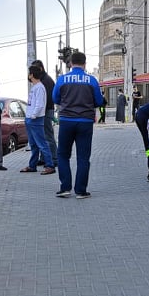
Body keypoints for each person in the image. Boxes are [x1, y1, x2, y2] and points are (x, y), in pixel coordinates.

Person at [52, 51, 104, 198]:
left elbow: (55, 98)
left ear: (70, 63)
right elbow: (99, 101)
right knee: (83, 157)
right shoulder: (92, 80)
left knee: (63, 155)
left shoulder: (62, 79)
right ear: (85, 63)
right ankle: (81, 191)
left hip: (66, 121)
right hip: (86, 123)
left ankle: (65, 188)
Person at [19, 64, 56, 174]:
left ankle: (50, 165)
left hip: (35, 119)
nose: (28, 75)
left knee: (42, 143)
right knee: (34, 145)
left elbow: (39, 105)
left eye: (29, 73)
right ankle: (32, 165)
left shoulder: (39, 87)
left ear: (32, 75)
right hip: (30, 119)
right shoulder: (35, 87)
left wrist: (33, 116)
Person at [31, 59, 57, 161]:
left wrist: (38, 112)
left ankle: (54, 158)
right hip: (45, 111)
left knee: (48, 136)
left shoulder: (46, 81)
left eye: (34, 70)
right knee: (42, 136)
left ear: (40, 69)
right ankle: (44, 158)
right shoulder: (43, 80)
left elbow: (47, 99)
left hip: (46, 111)